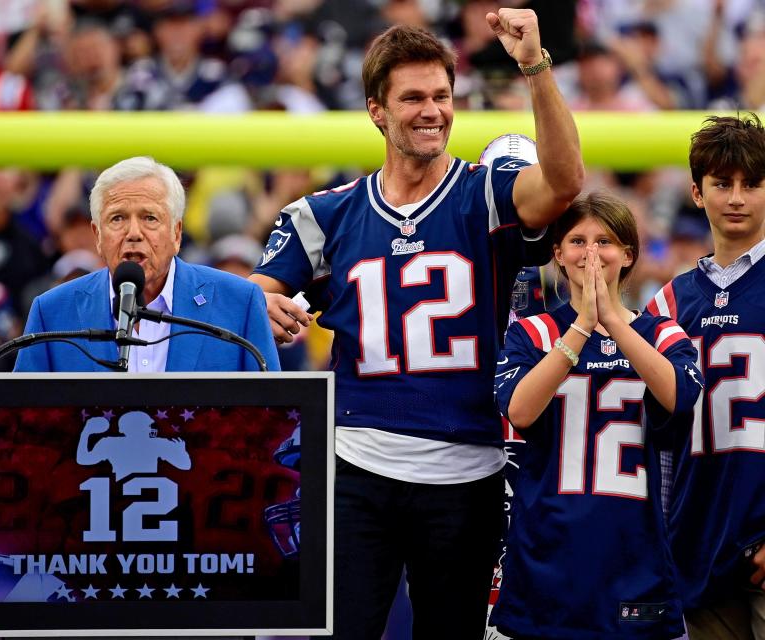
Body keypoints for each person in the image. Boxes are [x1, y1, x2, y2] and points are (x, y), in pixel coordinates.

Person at [250, 11, 585, 639]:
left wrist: (536, 67)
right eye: (413, 98)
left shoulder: (485, 194)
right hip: (356, 464)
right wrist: (257, 302)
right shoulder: (328, 215)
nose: (432, 111)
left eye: (441, 96)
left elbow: (564, 181)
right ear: (377, 110)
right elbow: (251, 296)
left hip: (466, 472)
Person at [491, 192, 703, 639]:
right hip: (548, 552)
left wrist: (614, 322)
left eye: (604, 241)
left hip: (634, 553)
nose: (591, 253)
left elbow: (680, 396)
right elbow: (520, 410)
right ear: (557, 254)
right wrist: (582, 326)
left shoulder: (662, 332)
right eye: (577, 241)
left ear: (628, 254)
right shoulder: (532, 333)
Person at [647, 113, 765, 639]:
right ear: (697, 192)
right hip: (698, 535)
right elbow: (660, 440)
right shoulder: (669, 301)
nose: (736, 197)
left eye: (752, 184)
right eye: (722, 183)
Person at [15, 156, 280, 373]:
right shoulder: (51, 313)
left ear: (177, 234)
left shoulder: (240, 303)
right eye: (117, 218)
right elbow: (25, 426)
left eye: (150, 218)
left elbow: (274, 420)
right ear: (97, 236)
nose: (133, 233)